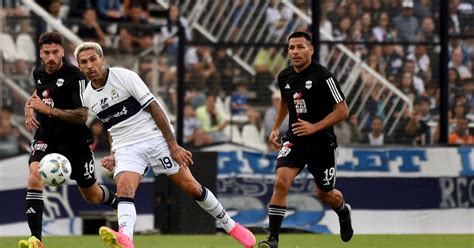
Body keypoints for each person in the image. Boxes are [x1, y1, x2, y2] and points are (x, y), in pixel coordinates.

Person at [74, 42, 256, 248]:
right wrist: (115, 153)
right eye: (84, 62)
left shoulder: (125, 77)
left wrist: (173, 145)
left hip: (154, 138)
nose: (89, 65)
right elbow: (111, 127)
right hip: (127, 147)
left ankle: (230, 225)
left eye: (93, 59)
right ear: (79, 67)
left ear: (102, 59)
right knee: (124, 188)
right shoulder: (88, 96)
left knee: (192, 187)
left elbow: (155, 108)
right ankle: (125, 238)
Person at [19, 32, 118, 248]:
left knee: (91, 195)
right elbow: (38, 95)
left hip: (75, 141)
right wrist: (29, 109)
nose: (51, 57)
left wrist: (49, 110)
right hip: (46, 137)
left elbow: (83, 115)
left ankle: (117, 202)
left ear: (62, 52)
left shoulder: (75, 76)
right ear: (41, 53)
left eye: (55, 52)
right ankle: (36, 240)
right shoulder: (38, 72)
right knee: (34, 176)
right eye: (47, 53)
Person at [258, 31, 353, 248]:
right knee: (281, 181)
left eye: (300, 47)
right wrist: (275, 128)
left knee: (325, 194)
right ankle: (273, 240)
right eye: (291, 47)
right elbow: (285, 100)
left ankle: (343, 210)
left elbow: (343, 110)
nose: (295, 51)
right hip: (296, 138)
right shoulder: (284, 76)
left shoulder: (324, 76)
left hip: (322, 144)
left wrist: (314, 127)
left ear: (310, 50)